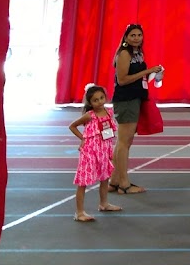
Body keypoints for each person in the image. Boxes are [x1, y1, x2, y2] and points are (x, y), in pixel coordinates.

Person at [108, 23, 163, 194]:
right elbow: (122, 79)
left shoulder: (137, 54)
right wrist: (147, 71)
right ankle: (124, 183)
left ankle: (114, 180)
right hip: (126, 100)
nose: (136, 38)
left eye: (139, 35)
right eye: (133, 35)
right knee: (124, 142)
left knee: (126, 141)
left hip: (135, 99)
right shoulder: (124, 54)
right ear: (126, 37)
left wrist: (152, 73)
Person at [69, 84, 123, 221]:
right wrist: (83, 139)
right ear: (90, 102)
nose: (99, 102)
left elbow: (109, 131)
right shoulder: (89, 115)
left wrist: (109, 148)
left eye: (101, 98)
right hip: (90, 151)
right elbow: (72, 126)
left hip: (104, 149)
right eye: (95, 100)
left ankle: (104, 203)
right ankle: (79, 212)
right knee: (83, 181)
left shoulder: (108, 112)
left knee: (105, 177)